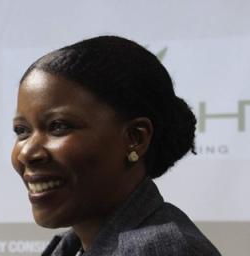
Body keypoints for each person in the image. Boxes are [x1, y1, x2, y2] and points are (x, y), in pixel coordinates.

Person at [11, 36, 220, 255]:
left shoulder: (161, 249)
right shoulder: (72, 247)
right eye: (21, 131)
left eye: (58, 126)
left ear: (135, 139)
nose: (27, 153)